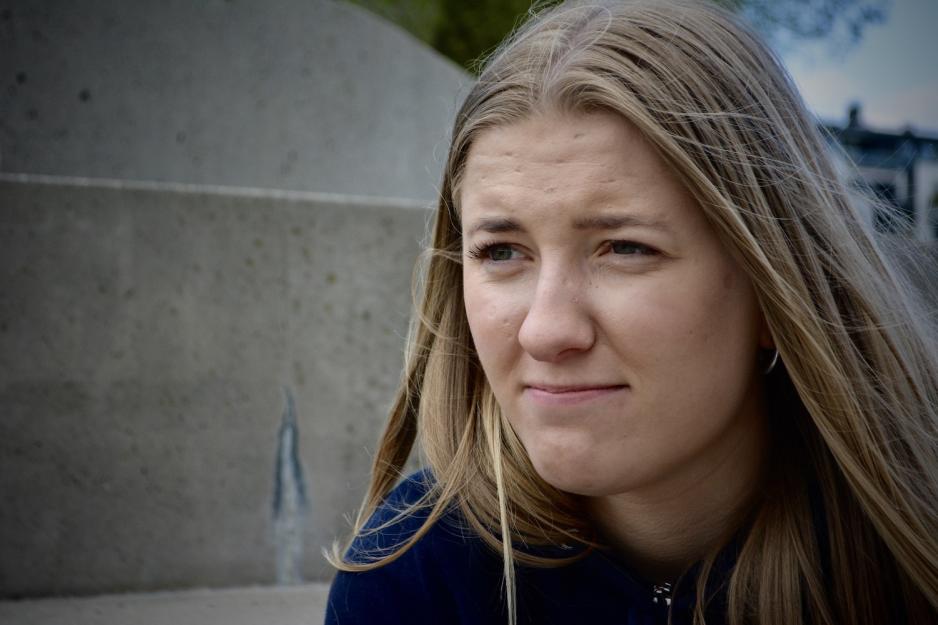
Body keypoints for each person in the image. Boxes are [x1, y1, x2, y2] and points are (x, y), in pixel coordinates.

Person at [325, 1, 938, 623]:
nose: (546, 330)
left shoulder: (910, 560)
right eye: (502, 251)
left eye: (625, 248)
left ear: (774, 285)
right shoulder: (413, 577)